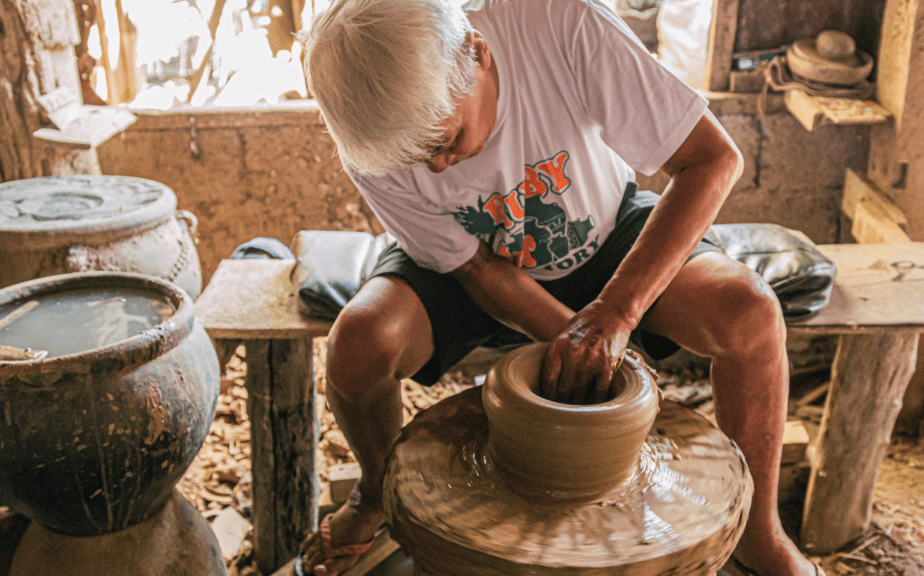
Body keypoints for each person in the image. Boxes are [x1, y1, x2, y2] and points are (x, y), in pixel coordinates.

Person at [296, 0, 823, 575]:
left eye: (447, 140)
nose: (441, 168)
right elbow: (474, 269)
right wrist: (571, 335)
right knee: (358, 344)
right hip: (476, 262)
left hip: (606, 234)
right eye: (419, 158)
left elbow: (713, 160)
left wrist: (618, 313)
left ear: (476, 54)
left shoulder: (562, 24)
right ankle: (376, 492)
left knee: (749, 312)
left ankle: (759, 534)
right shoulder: (369, 130)